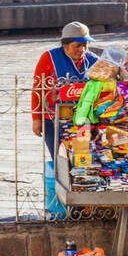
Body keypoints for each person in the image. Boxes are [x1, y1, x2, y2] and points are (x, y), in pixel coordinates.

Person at [31, 21, 99, 155]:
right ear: (65, 45)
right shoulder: (49, 58)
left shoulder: (93, 60)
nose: (82, 49)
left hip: (84, 119)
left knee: (83, 157)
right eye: (77, 45)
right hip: (53, 119)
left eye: (85, 44)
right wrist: (36, 119)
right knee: (58, 157)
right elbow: (38, 89)